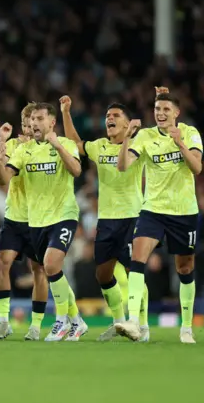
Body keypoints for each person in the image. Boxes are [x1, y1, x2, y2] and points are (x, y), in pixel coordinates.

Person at [0, 102, 87, 342]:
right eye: (32, 119)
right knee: (51, 269)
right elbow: (4, 179)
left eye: (39, 118)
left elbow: (76, 170)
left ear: (51, 122)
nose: (34, 123)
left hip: (64, 216)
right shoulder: (24, 150)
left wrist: (57, 145)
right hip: (35, 220)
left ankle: (61, 321)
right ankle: (77, 321)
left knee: (51, 265)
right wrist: (1, 157)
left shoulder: (65, 144)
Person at [116, 87, 203, 344]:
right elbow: (123, 167)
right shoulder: (144, 136)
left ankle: (186, 327)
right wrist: (127, 139)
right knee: (137, 258)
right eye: (157, 109)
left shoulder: (189, 133)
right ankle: (134, 321)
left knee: (185, 268)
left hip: (184, 211)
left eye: (166, 109)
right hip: (153, 209)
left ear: (177, 112)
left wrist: (179, 143)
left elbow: (197, 167)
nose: (161, 113)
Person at [61, 95, 150, 342]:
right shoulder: (99, 145)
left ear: (127, 123)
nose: (109, 118)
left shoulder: (138, 144)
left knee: (135, 272)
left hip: (133, 216)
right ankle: (119, 320)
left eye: (116, 116)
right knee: (102, 275)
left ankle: (141, 325)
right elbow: (75, 144)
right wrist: (66, 112)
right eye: (107, 116)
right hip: (107, 220)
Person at [0, 103, 48, 341]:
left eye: (32, 122)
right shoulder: (12, 145)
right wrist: (0, 144)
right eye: (24, 124)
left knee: (39, 271)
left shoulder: (45, 147)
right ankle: (3, 322)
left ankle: (35, 325)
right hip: (14, 216)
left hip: (38, 218)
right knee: (2, 262)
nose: (28, 127)